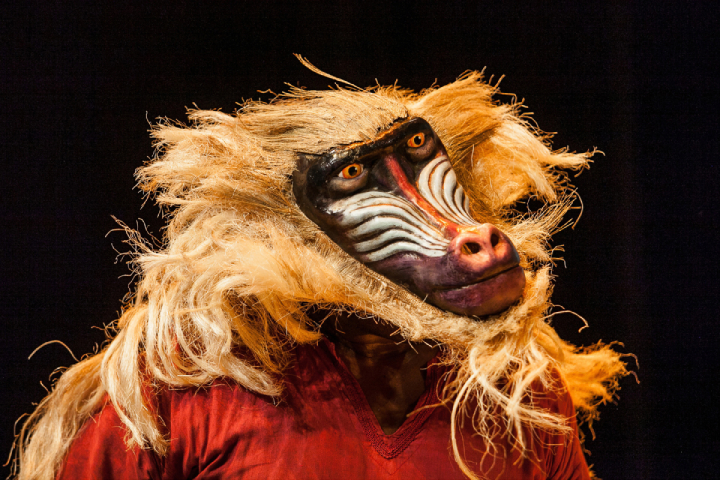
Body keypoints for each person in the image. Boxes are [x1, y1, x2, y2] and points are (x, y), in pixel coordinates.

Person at [15, 64, 626, 480]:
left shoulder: (520, 394)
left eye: (420, 155)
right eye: (356, 179)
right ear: (286, 231)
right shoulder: (183, 387)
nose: (473, 236)